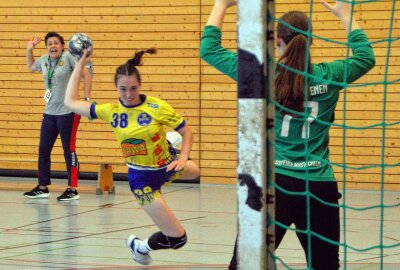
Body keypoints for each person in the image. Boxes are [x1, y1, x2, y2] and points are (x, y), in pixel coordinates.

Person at [200, 1, 375, 269]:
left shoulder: (262, 73)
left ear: (277, 40)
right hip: (318, 186)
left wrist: (222, 4)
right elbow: (365, 58)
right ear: (311, 41)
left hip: (274, 185)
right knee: (325, 265)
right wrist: (345, 15)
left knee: (245, 263)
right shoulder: (330, 76)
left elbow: (209, 50)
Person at [64, 48, 200, 265]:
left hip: (167, 164)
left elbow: (187, 131)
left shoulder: (157, 107)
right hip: (143, 179)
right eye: (123, 89)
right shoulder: (111, 111)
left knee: (195, 173)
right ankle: (139, 247)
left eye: (133, 88)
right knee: (178, 239)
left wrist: (183, 157)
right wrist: (79, 65)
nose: (128, 94)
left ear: (140, 85)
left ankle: (168, 143)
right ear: (116, 88)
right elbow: (70, 102)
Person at [24, 32, 93, 201]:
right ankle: (42, 187)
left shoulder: (68, 57)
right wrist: (29, 50)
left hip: (68, 112)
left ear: (63, 46)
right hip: (50, 113)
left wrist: (86, 99)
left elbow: (86, 75)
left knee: (68, 150)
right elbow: (31, 67)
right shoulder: (44, 60)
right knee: (43, 149)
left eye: (56, 43)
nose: (52, 46)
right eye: (49, 43)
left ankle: (72, 188)